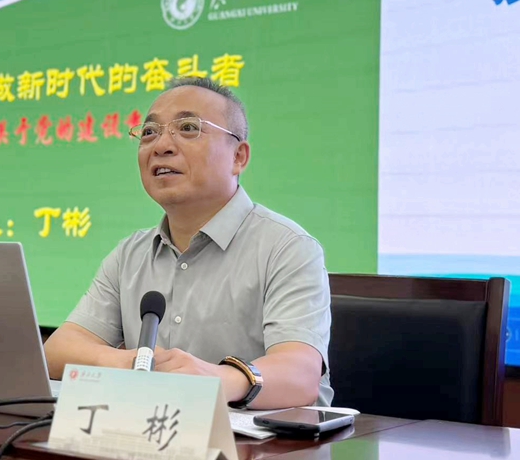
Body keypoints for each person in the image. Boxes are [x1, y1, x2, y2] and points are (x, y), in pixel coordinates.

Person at [43, 77, 333, 409]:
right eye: (149, 132)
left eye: (188, 128)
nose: (161, 146)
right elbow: (58, 350)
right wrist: (131, 363)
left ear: (238, 157)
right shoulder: (129, 255)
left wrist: (215, 380)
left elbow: (300, 375)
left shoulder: (288, 247)